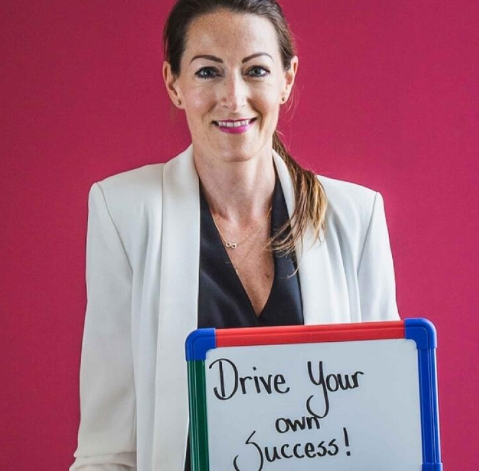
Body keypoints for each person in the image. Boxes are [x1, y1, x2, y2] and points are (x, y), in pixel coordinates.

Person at [70, 1, 400, 470]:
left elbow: (387, 425)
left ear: (287, 79)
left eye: (255, 70)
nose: (233, 96)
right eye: (208, 72)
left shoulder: (357, 216)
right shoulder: (123, 212)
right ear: (174, 83)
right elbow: (108, 451)